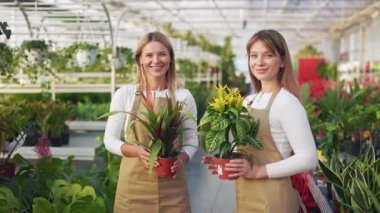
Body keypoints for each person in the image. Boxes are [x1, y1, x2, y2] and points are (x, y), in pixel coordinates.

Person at [203, 29, 318, 212]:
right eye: (254, 55)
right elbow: (247, 146)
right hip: (247, 195)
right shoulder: (249, 101)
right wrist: (225, 161)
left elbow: (309, 158)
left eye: (268, 55)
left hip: (274, 199)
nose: (259, 62)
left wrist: (258, 171)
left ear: (282, 61)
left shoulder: (287, 102)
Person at [104, 31, 198, 213]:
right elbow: (110, 140)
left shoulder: (183, 96)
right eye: (149, 55)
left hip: (173, 184)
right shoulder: (126, 94)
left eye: (162, 54)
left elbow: (191, 139)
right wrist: (137, 151)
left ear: (170, 58)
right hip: (134, 186)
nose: (156, 60)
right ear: (140, 60)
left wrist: (183, 157)